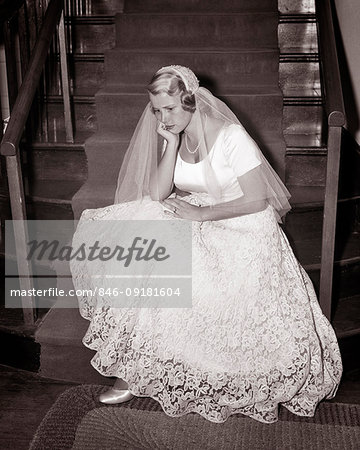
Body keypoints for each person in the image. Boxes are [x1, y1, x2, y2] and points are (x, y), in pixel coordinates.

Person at [70, 65, 342, 424]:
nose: (161, 117)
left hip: (242, 225)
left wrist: (201, 217)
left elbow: (258, 200)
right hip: (201, 213)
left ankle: (159, 370)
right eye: (156, 110)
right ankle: (137, 369)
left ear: (191, 102)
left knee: (181, 264)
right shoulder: (178, 134)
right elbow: (157, 192)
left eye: (169, 109)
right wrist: (169, 143)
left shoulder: (231, 137)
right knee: (146, 237)